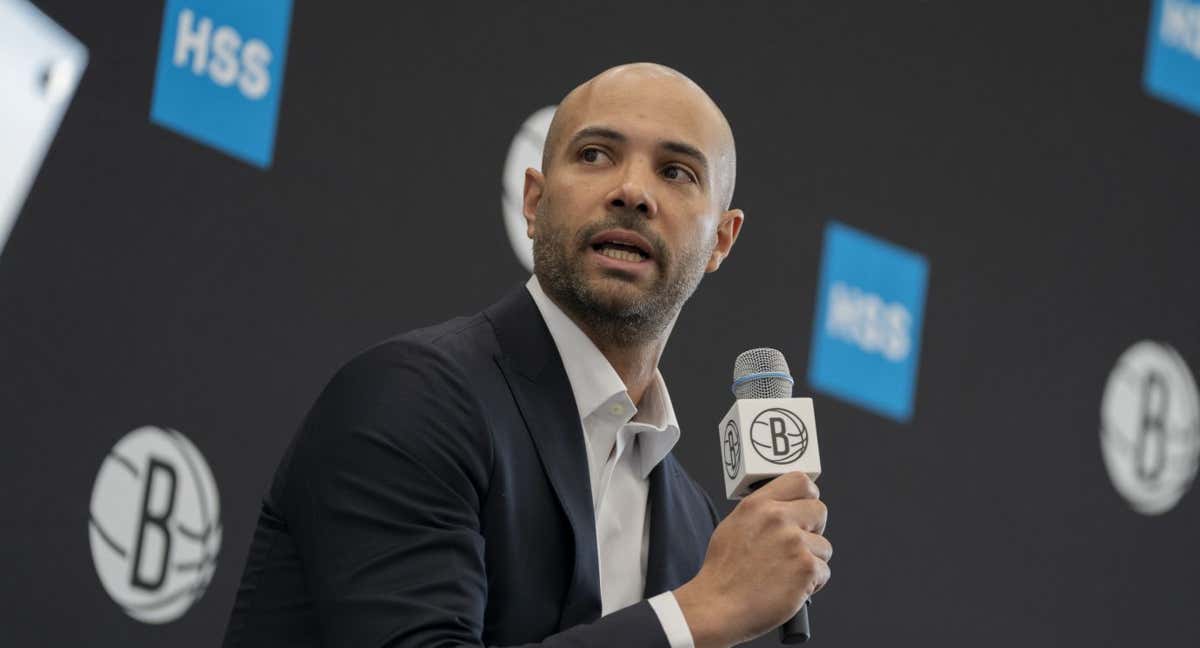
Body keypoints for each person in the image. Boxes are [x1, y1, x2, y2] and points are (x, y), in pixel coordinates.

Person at [222, 62, 832, 648]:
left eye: (676, 172)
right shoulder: (411, 397)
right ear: (535, 202)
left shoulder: (697, 526)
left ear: (721, 240)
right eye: (595, 155)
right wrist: (696, 614)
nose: (632, 191)